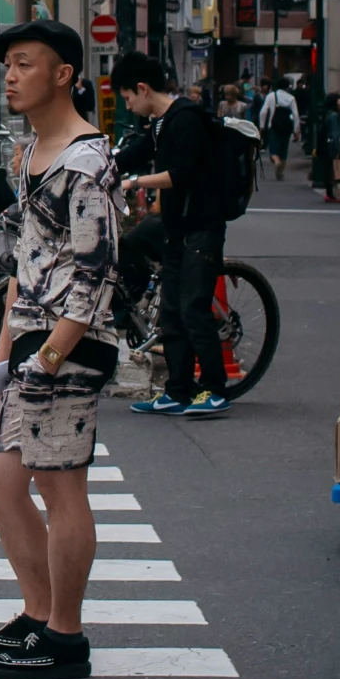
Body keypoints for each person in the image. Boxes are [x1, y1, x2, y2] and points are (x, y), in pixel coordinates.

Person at [0, 18, 122, 679]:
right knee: (0, 481)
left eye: (25, 63)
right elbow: (25, 266)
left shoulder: (87, 163)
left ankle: (65, 635)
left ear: (64, 74)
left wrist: (51, 356)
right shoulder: (29, 154)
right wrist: (4, 357)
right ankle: (37, 614)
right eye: (8, 64)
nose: (10, 74)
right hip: (30, 342)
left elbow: (95, 276)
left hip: (68, 347)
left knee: (62, 491)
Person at [110, 50, 231, 419]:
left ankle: (213, 389)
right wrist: (102, 166)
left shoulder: (185, 119)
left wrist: (134, 182)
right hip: (178, 228)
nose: (129, 106)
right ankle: (177, 390)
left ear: (143, 89)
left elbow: (182, 174)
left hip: (201, 227)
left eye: (129, 98)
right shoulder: (160, 124)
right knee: (172, 312)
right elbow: (134, 153)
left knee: (194, 308)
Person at [259, 79, 300, 180]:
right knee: (284, 150)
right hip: (287, 127)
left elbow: (263, 112)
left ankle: (276, 161)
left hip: (274, 126)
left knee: (273, 149)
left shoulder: (271, 96)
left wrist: (262, 126)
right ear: (287, 87)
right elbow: (295, 115)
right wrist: (296, 130)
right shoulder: (291, 98)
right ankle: (279, 173)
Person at [316, 93, 340, 203]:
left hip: (325, 146)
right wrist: (339, 149)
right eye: (339, 100)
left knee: (329, 170)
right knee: (333, 171)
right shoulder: (334, 116)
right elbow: (335, 134)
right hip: (331, 147)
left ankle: (330, 194)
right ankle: (332, 194)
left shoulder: (328, 114)